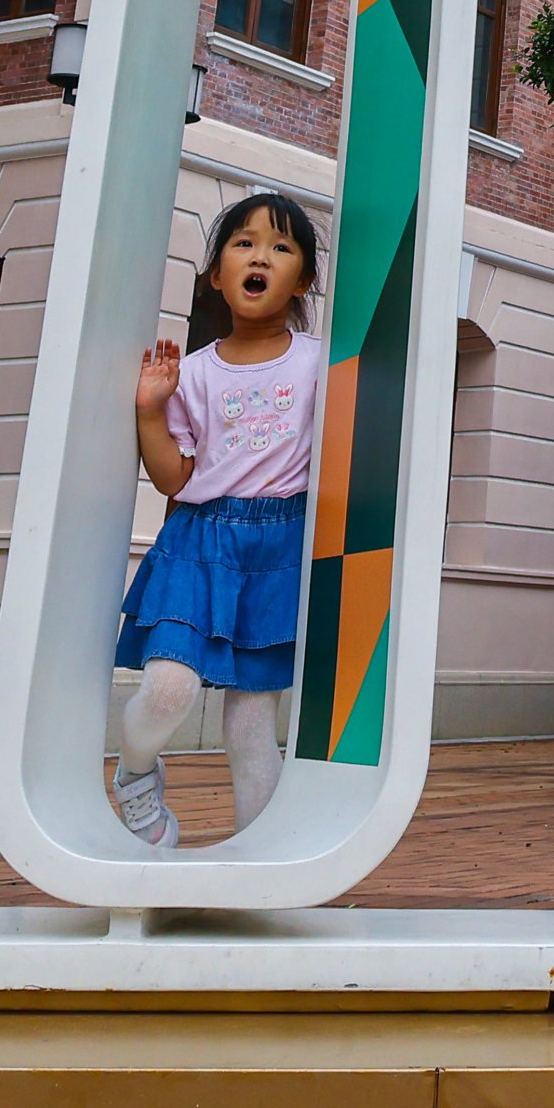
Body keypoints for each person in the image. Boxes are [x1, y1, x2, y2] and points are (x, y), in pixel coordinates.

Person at [113, 190, 326, 850]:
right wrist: (152, 409)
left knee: (253, 719)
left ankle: (255, 859)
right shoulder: (196, 372)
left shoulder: (321, 362)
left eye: (281, 246)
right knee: (169, 686)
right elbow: (172, 477)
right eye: (244, 243)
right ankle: (135, 776)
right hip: (200, 540)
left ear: (303, 281)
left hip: (280, 545)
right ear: (217, 275)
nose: (260, 255)